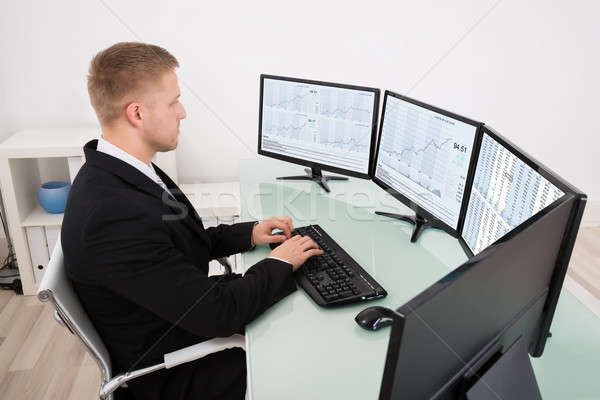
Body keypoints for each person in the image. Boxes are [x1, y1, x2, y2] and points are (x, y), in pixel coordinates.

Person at [61, 42, 323, 400]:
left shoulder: (118, 171)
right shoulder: (112, 216)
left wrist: (249, 233)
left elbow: (173, 241)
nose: (182, 112)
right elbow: (219, 313)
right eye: (173, 102)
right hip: (175, 370)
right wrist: (279, 263)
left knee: (303, 304)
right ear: (137, 114)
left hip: (177, 318)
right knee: (314, 352)